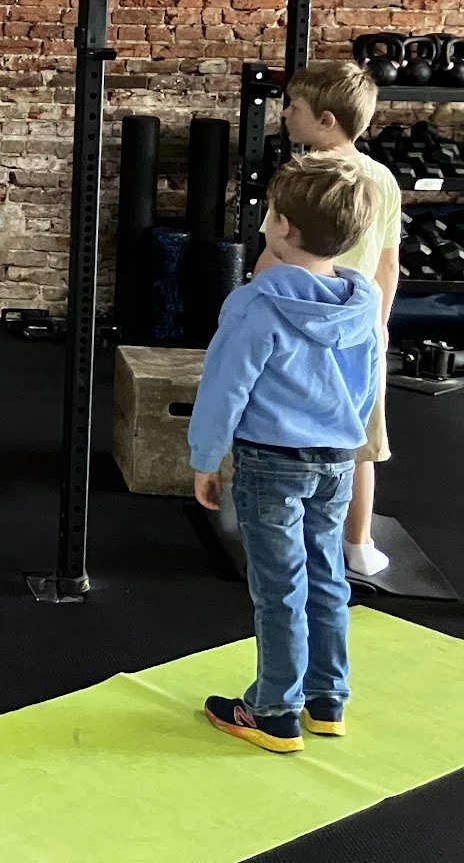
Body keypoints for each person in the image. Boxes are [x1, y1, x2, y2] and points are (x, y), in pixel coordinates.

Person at [189, 152, 381, 753]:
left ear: (280, 227)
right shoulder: (363, 300)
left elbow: (225, 388)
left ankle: (273, 711)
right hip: (336, 461)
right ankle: (327, 701)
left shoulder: (255, 303)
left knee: (279, 587)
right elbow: (369, 384)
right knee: (326, 575)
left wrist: (205, 457)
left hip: (271, 463)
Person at [282, 60, 400, 578]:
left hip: (302, 326)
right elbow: (388, 263)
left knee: (287, 430)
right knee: (361, 441)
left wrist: (255, 301)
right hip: (359, 328)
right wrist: (380, 323)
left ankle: (287, 532)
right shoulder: (384, 178)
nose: (286, 114)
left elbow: (277, 255)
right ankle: (358, 545)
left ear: (326, 120)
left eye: (295, 108)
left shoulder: (300, 179)